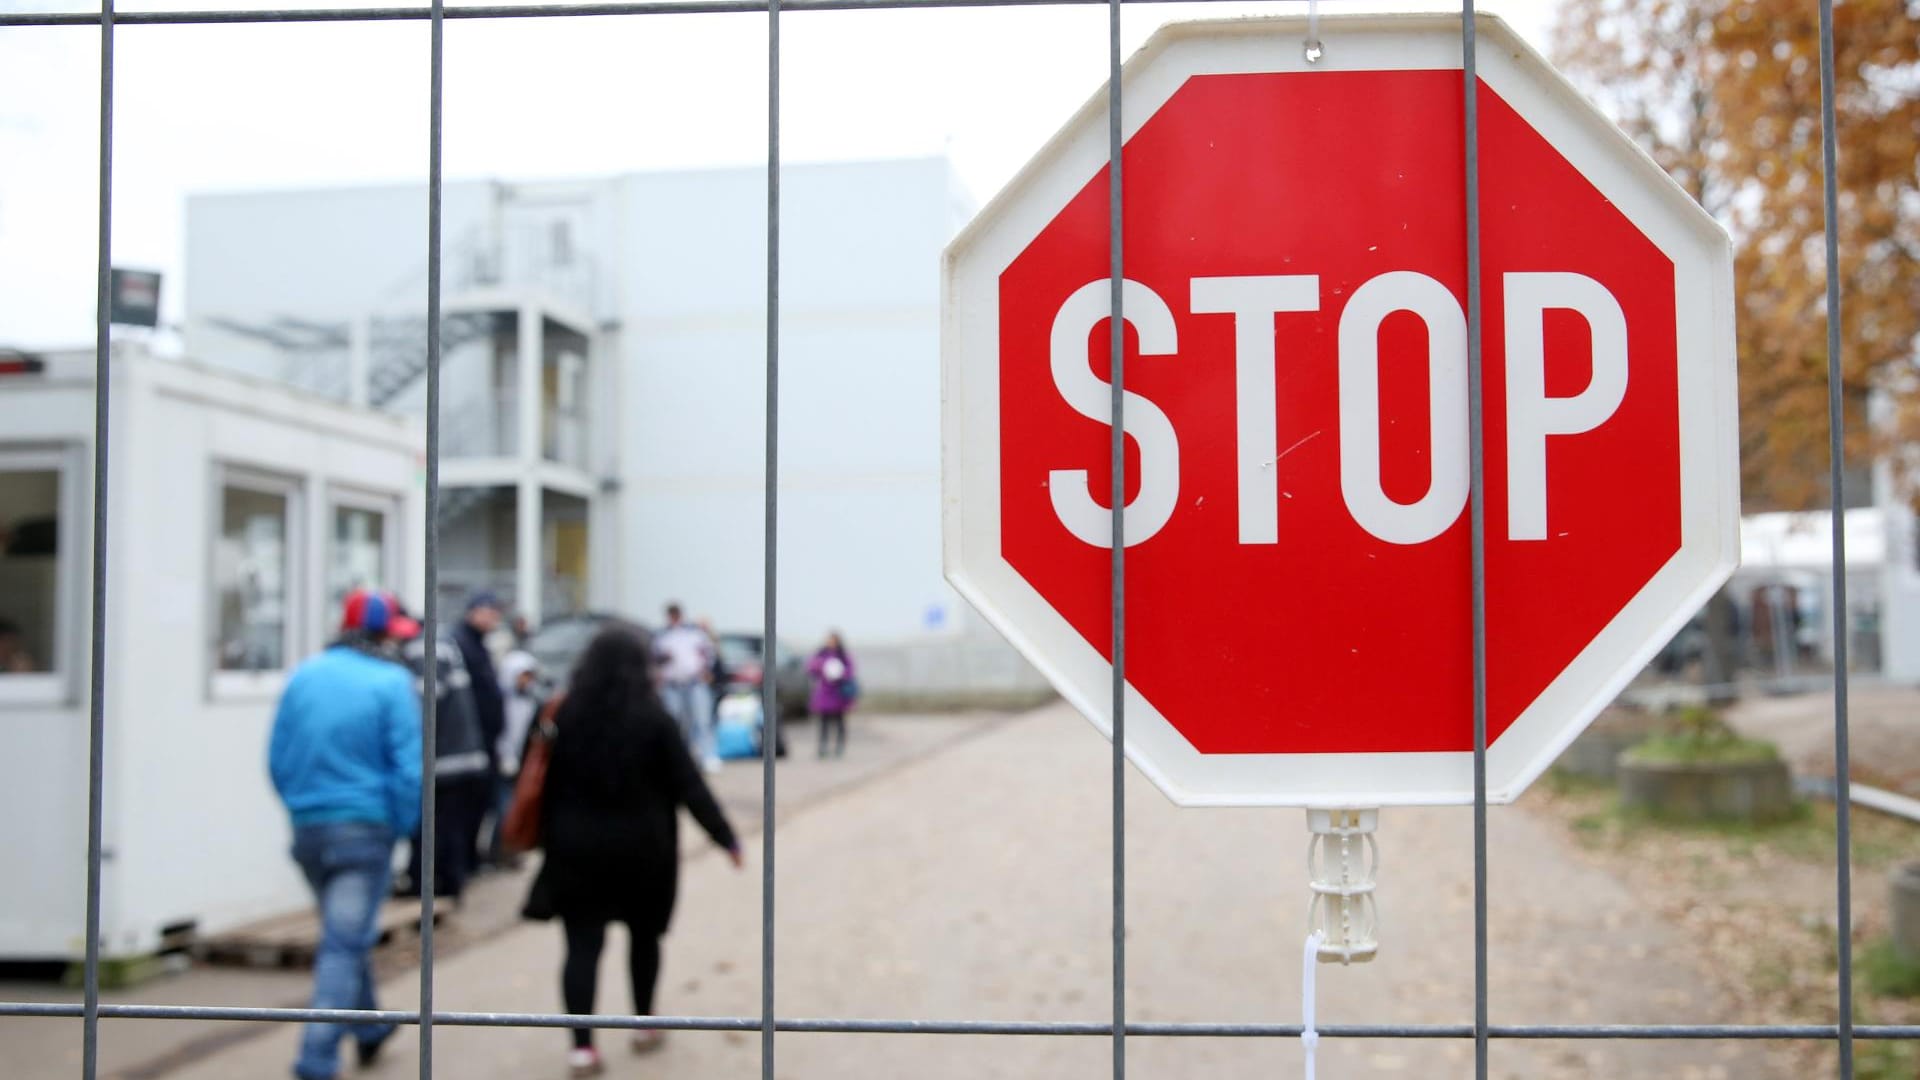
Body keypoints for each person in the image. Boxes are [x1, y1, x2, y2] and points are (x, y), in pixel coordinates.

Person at [535, 623, 742, 1078]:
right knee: (644, 939)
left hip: (576, 851)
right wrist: (725, 837)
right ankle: (644, 1024)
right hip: (643, 853)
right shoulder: (654, 719)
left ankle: (582, 1048)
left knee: (581, 947)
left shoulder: (563, 716)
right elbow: (689, 786)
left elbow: (539, 784)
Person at [267, 589, 422, 1080]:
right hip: (365, 829)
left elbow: (278, 758)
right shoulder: (393, 683)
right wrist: (400, 825)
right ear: (381, 634)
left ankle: (371, 1027)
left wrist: (301, 807)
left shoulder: (306, 674)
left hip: (310, 828)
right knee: (342, 943)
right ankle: (316, 1058)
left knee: (343, 935)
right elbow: (410, 770)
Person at [398, 606, 494, 904]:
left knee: (438, 829)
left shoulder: (425, 649)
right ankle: (444, 888)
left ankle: (436, 890)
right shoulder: (440, 644)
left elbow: (424, 706)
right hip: (461, 758)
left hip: (447, 762)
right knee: (449, 828)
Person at [453, 592, 507, 871]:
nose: (494, 619)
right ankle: (464, 864)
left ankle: (470, 861)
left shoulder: (478, 643)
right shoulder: (462, 643)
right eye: (490, 612)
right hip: (473, 741)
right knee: (468, 806)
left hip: (484, 739)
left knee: (481, 803)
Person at [486, 649, 547, 867]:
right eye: (523, 675)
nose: (526, 681)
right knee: (502, 810)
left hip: (520, 765)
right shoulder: (498, 700)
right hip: (499, 762)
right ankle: (498, 853)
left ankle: (506, 852)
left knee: (513, 809)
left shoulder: (533, 703)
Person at [653, 603, 720, 774]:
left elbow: (709, 653)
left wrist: (707, 671)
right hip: (672, 685)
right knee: (675, 724)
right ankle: (679, 759)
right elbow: (654, 658)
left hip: (694, 683)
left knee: (702, 720)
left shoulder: (694, 633)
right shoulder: (662, 636)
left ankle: (708, 756)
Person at [807, 631, 858, 759]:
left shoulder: (843, 656)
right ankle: (823, 747)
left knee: (840, 722)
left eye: (833, 640)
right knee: (824, 722)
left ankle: (839, 747)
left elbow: (851, 671)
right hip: (825, 693)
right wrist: (821, 667)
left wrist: (841, 673)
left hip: (838, 694)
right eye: (829, 640)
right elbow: (811, 668)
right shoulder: (821, 655)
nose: (831, 643)